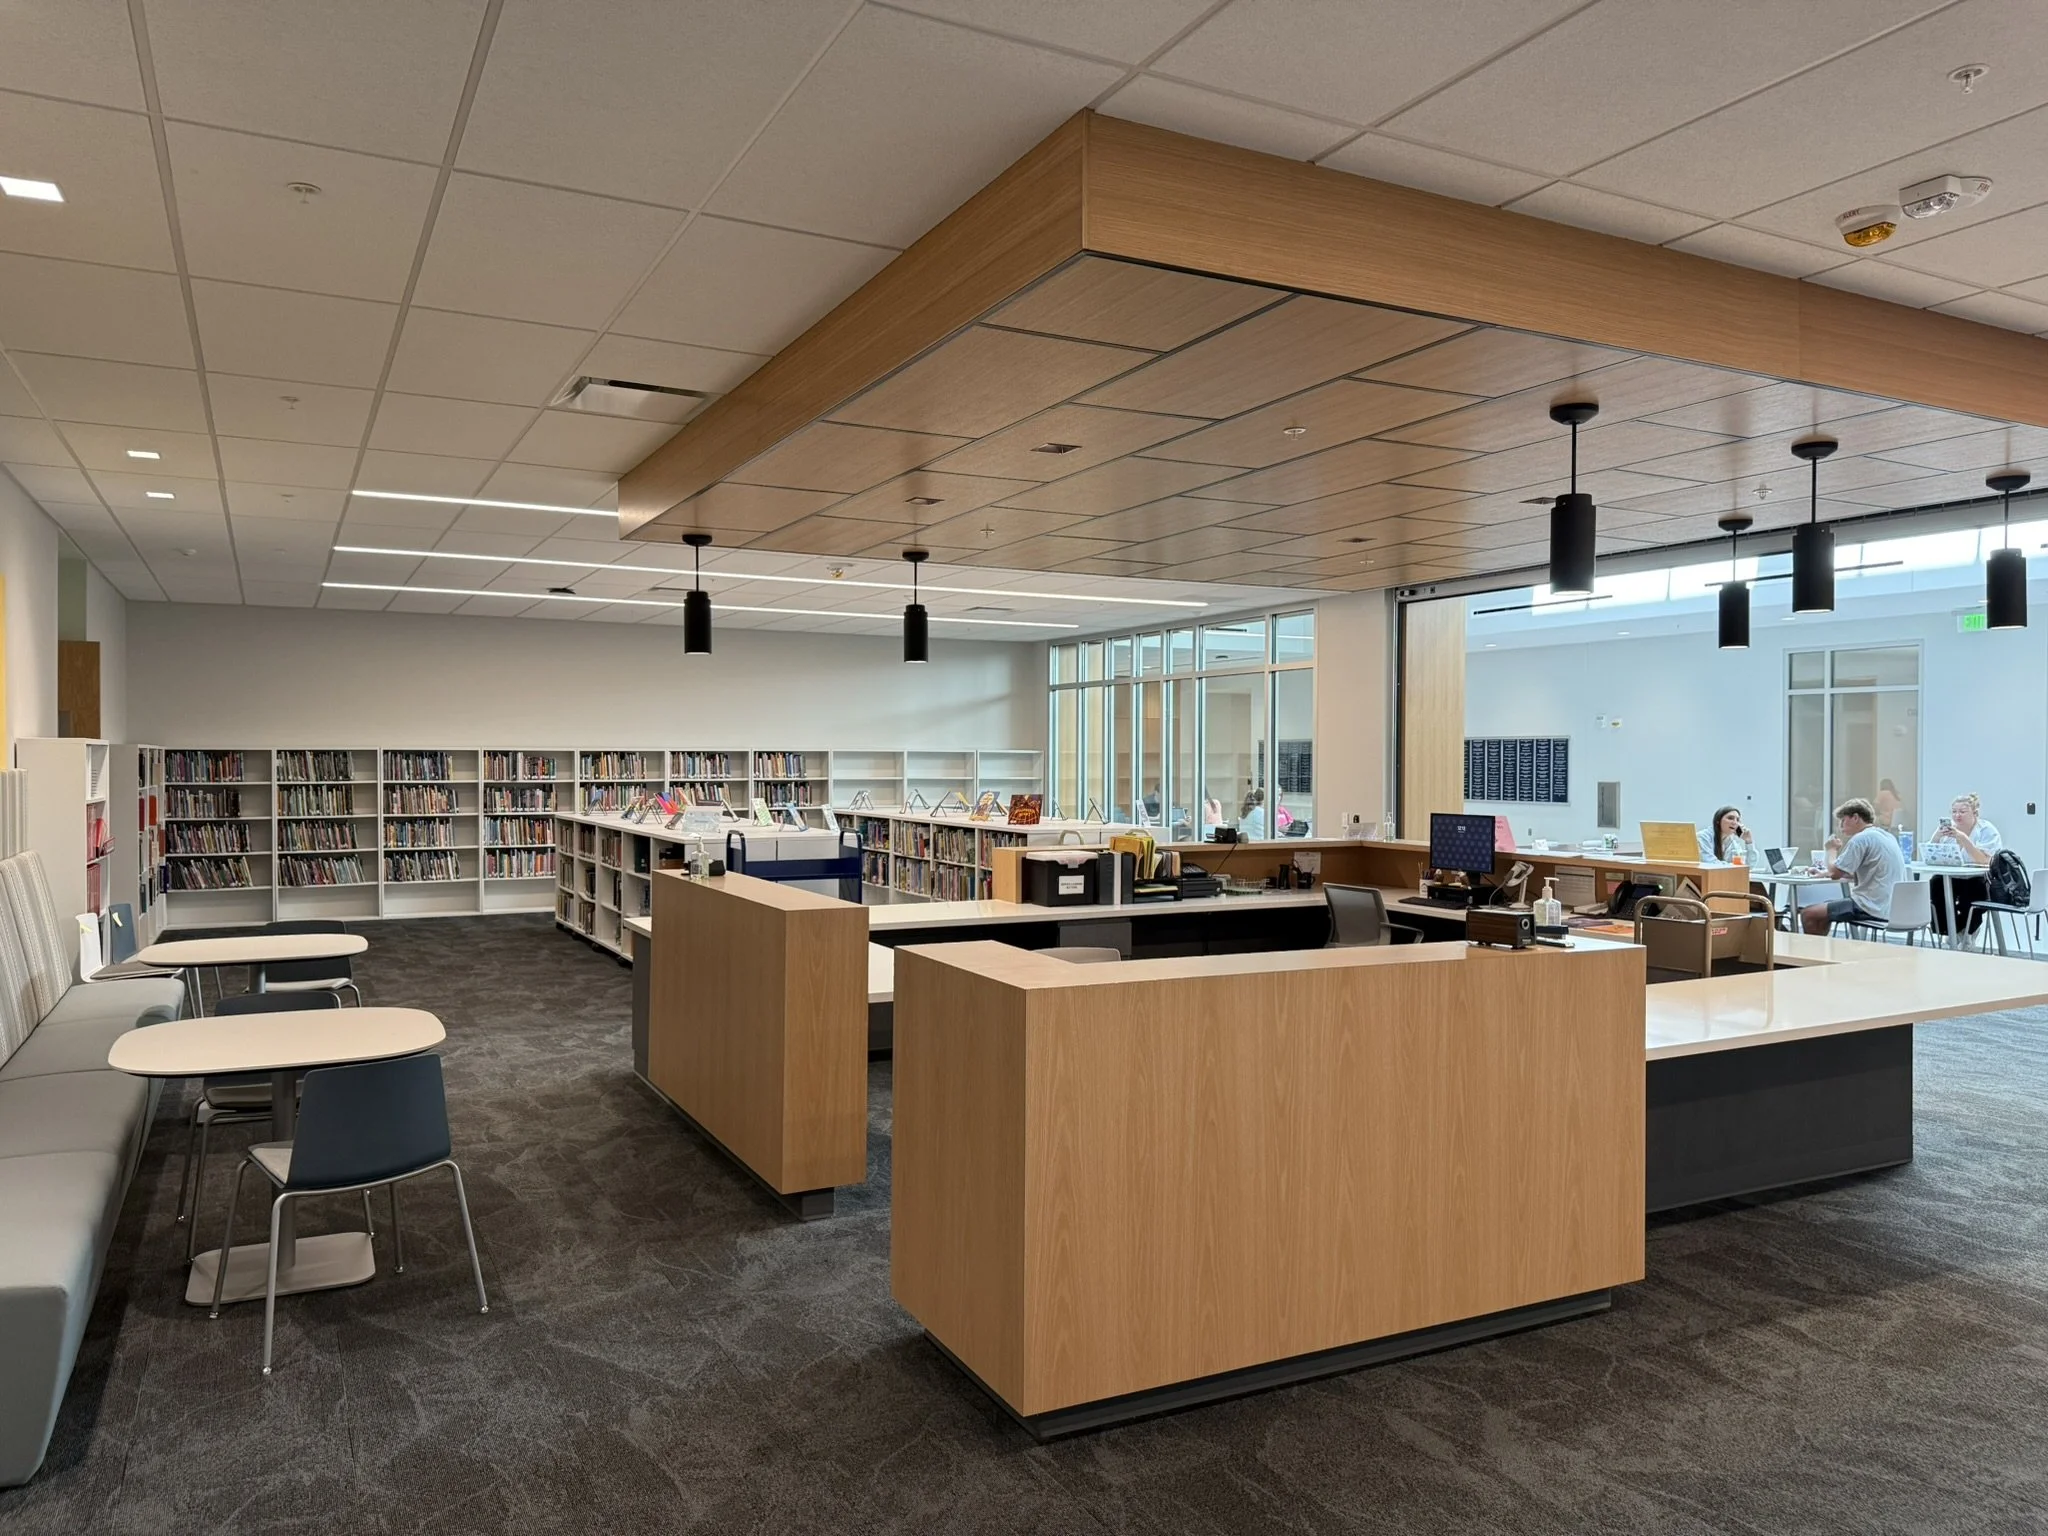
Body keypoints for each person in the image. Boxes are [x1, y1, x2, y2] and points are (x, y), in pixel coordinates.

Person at [1802, 797, 1907, 935]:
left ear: (1855, 817)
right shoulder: (1887, 836)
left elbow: (1835, 874)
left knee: (1808, 914)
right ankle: (1823, 952)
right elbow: (1862, 871)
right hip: (1891, 906)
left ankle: (1814, 954)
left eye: (1843, 820)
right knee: (1822, 913)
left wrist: (1831, 849)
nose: (1840, 826)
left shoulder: (1860, 839)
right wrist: (1824, 873)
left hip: (1870, 906)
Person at [1924, 792, 2002, 937]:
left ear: (1975, 813)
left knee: (1971, 893)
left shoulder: (1986, 830)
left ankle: (1968, 931)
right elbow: (1929, 855)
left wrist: (1964, 840)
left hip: (1978, 878)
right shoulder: (1949, 830)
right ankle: (1947, 931)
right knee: (1936, 883)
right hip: (1952, 877)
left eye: (1962, 812)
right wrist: (1936, 837)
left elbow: (1985, 860)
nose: (1957, 815)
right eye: (1954, 812)